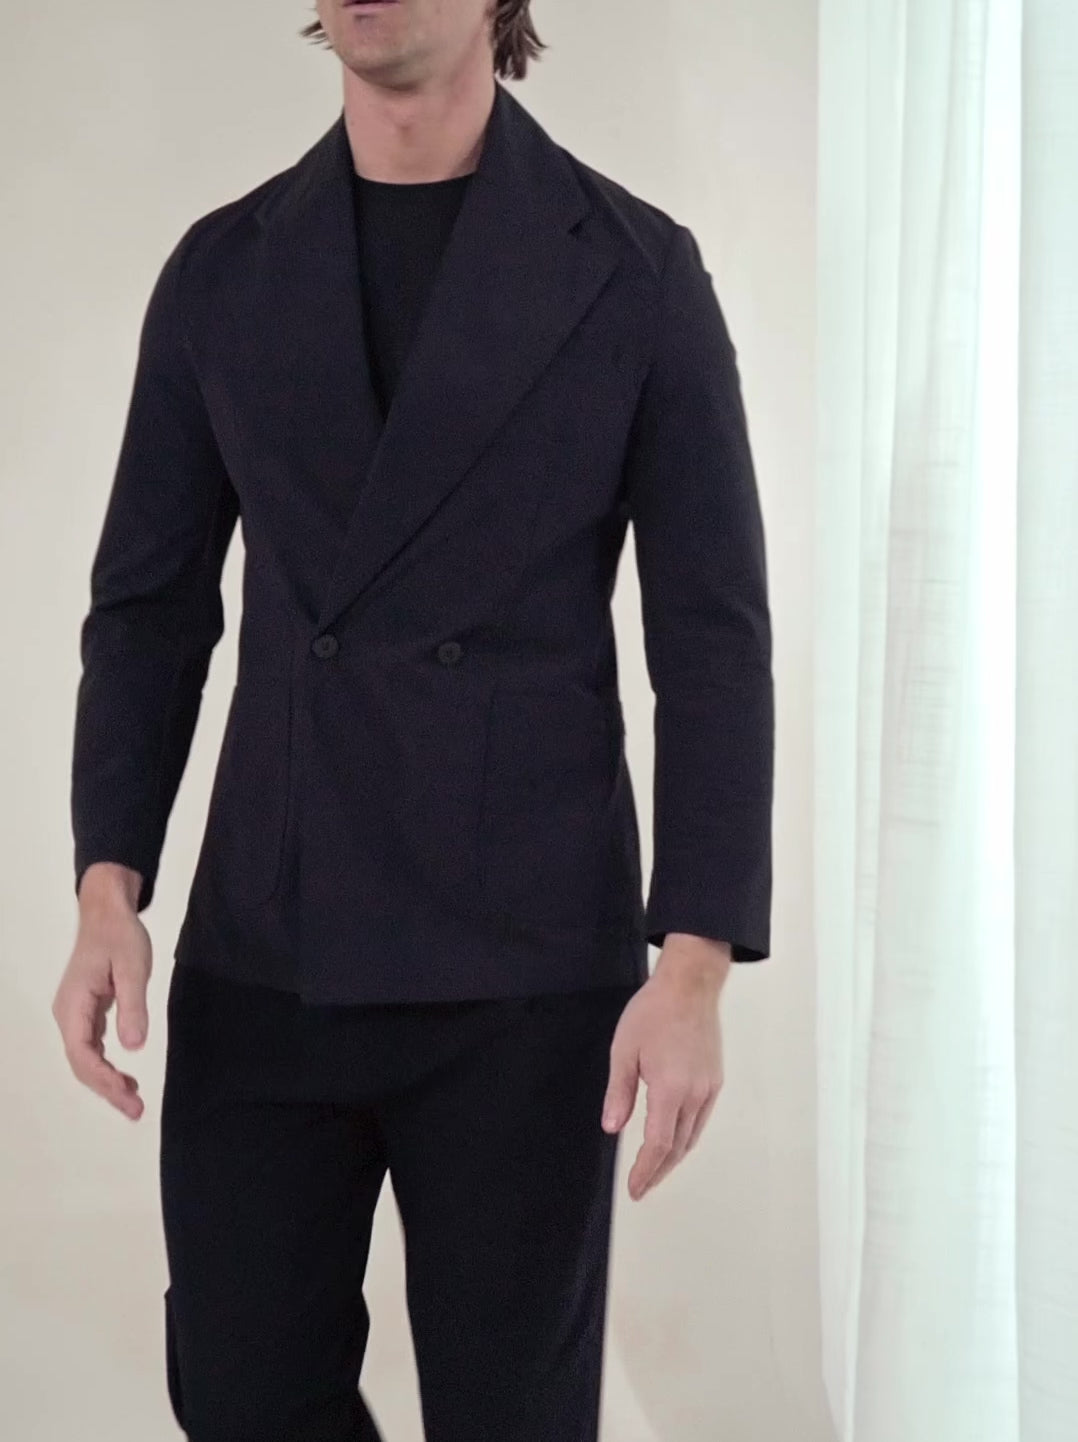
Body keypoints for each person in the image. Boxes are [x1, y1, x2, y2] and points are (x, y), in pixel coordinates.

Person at [52, 2, 774, 1438]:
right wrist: (106, 888)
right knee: (242, 1397)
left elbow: (711, 640)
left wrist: (693, 968)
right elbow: (147, 611)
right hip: (269, 949)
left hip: (527, 977)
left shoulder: (634, 272)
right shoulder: (222, 269)